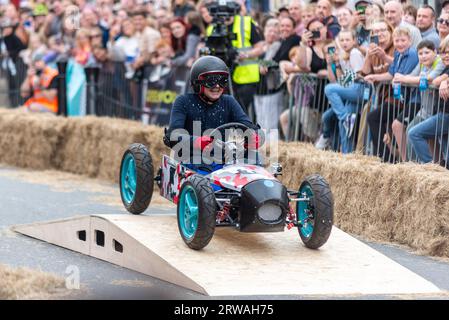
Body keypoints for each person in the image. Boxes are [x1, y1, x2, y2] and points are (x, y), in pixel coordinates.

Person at [163, 55, 259, 169]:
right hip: (190, 161)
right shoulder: (183, 101)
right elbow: (172, 136)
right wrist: (197, 142)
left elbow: (248, 126)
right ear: (198, 83)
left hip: (222, 162)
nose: (217, 86)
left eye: (222, 81)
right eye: (211, 81)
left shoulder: (229, 101)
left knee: (255, 156)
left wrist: (254, 136)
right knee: (199, 161)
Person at [365, 26, 419, 162]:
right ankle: (386, 157)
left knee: (379, 119)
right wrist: (375, 77)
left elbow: (401, 75)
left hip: (407, 99)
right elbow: (391, 74)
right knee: (377, 119)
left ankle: (394, 159)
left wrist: (396, 78)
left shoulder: (412, 54)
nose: (400, 44)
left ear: (410, 41)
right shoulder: (397, 54)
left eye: (403, 40)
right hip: (399, 97)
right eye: (397, 40)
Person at [205, 2, 264, 115]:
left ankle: (242, 131)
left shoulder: (245, 22)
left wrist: (245, 55)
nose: (223, 16)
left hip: (246, 77)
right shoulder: (212, 28)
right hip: (220, 78)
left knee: (240, 111)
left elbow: (260, 47)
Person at [390, 40, 444, 161]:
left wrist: (403, 78)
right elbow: (411, 75)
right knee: (411, 131)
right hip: (425, 110)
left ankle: (431, 166)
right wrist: (399, 78)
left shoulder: (440, 62)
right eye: (420, 53)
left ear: (435, 52)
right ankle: (412, 165)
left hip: (438, 111)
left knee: (432, 141)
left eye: (427, 52)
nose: (423, 56)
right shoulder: (421, 64)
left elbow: (431, 78)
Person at [317, 30, 365, 153]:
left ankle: (345, 118)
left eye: (347, 40)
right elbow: (340, 80)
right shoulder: (343, 55)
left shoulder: (354, 52)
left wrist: (341, 83)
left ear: (354, 41)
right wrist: (337, 64)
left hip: (359, 88)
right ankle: (346, 153)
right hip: (351, 90)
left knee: (329, 88)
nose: (344, 43)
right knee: (344, 127)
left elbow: (358, 74)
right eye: (342, 40)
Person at [408, 36, 449, 165]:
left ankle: (429, 166)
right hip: (441, 113)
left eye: (448, 52)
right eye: (443, 52)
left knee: (414, 133)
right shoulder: (445, 68)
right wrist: (444, 81)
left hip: (445, 115)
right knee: (445, 152)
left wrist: (444, 81)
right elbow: (436, 81)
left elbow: (435, 80)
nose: (445, 56)